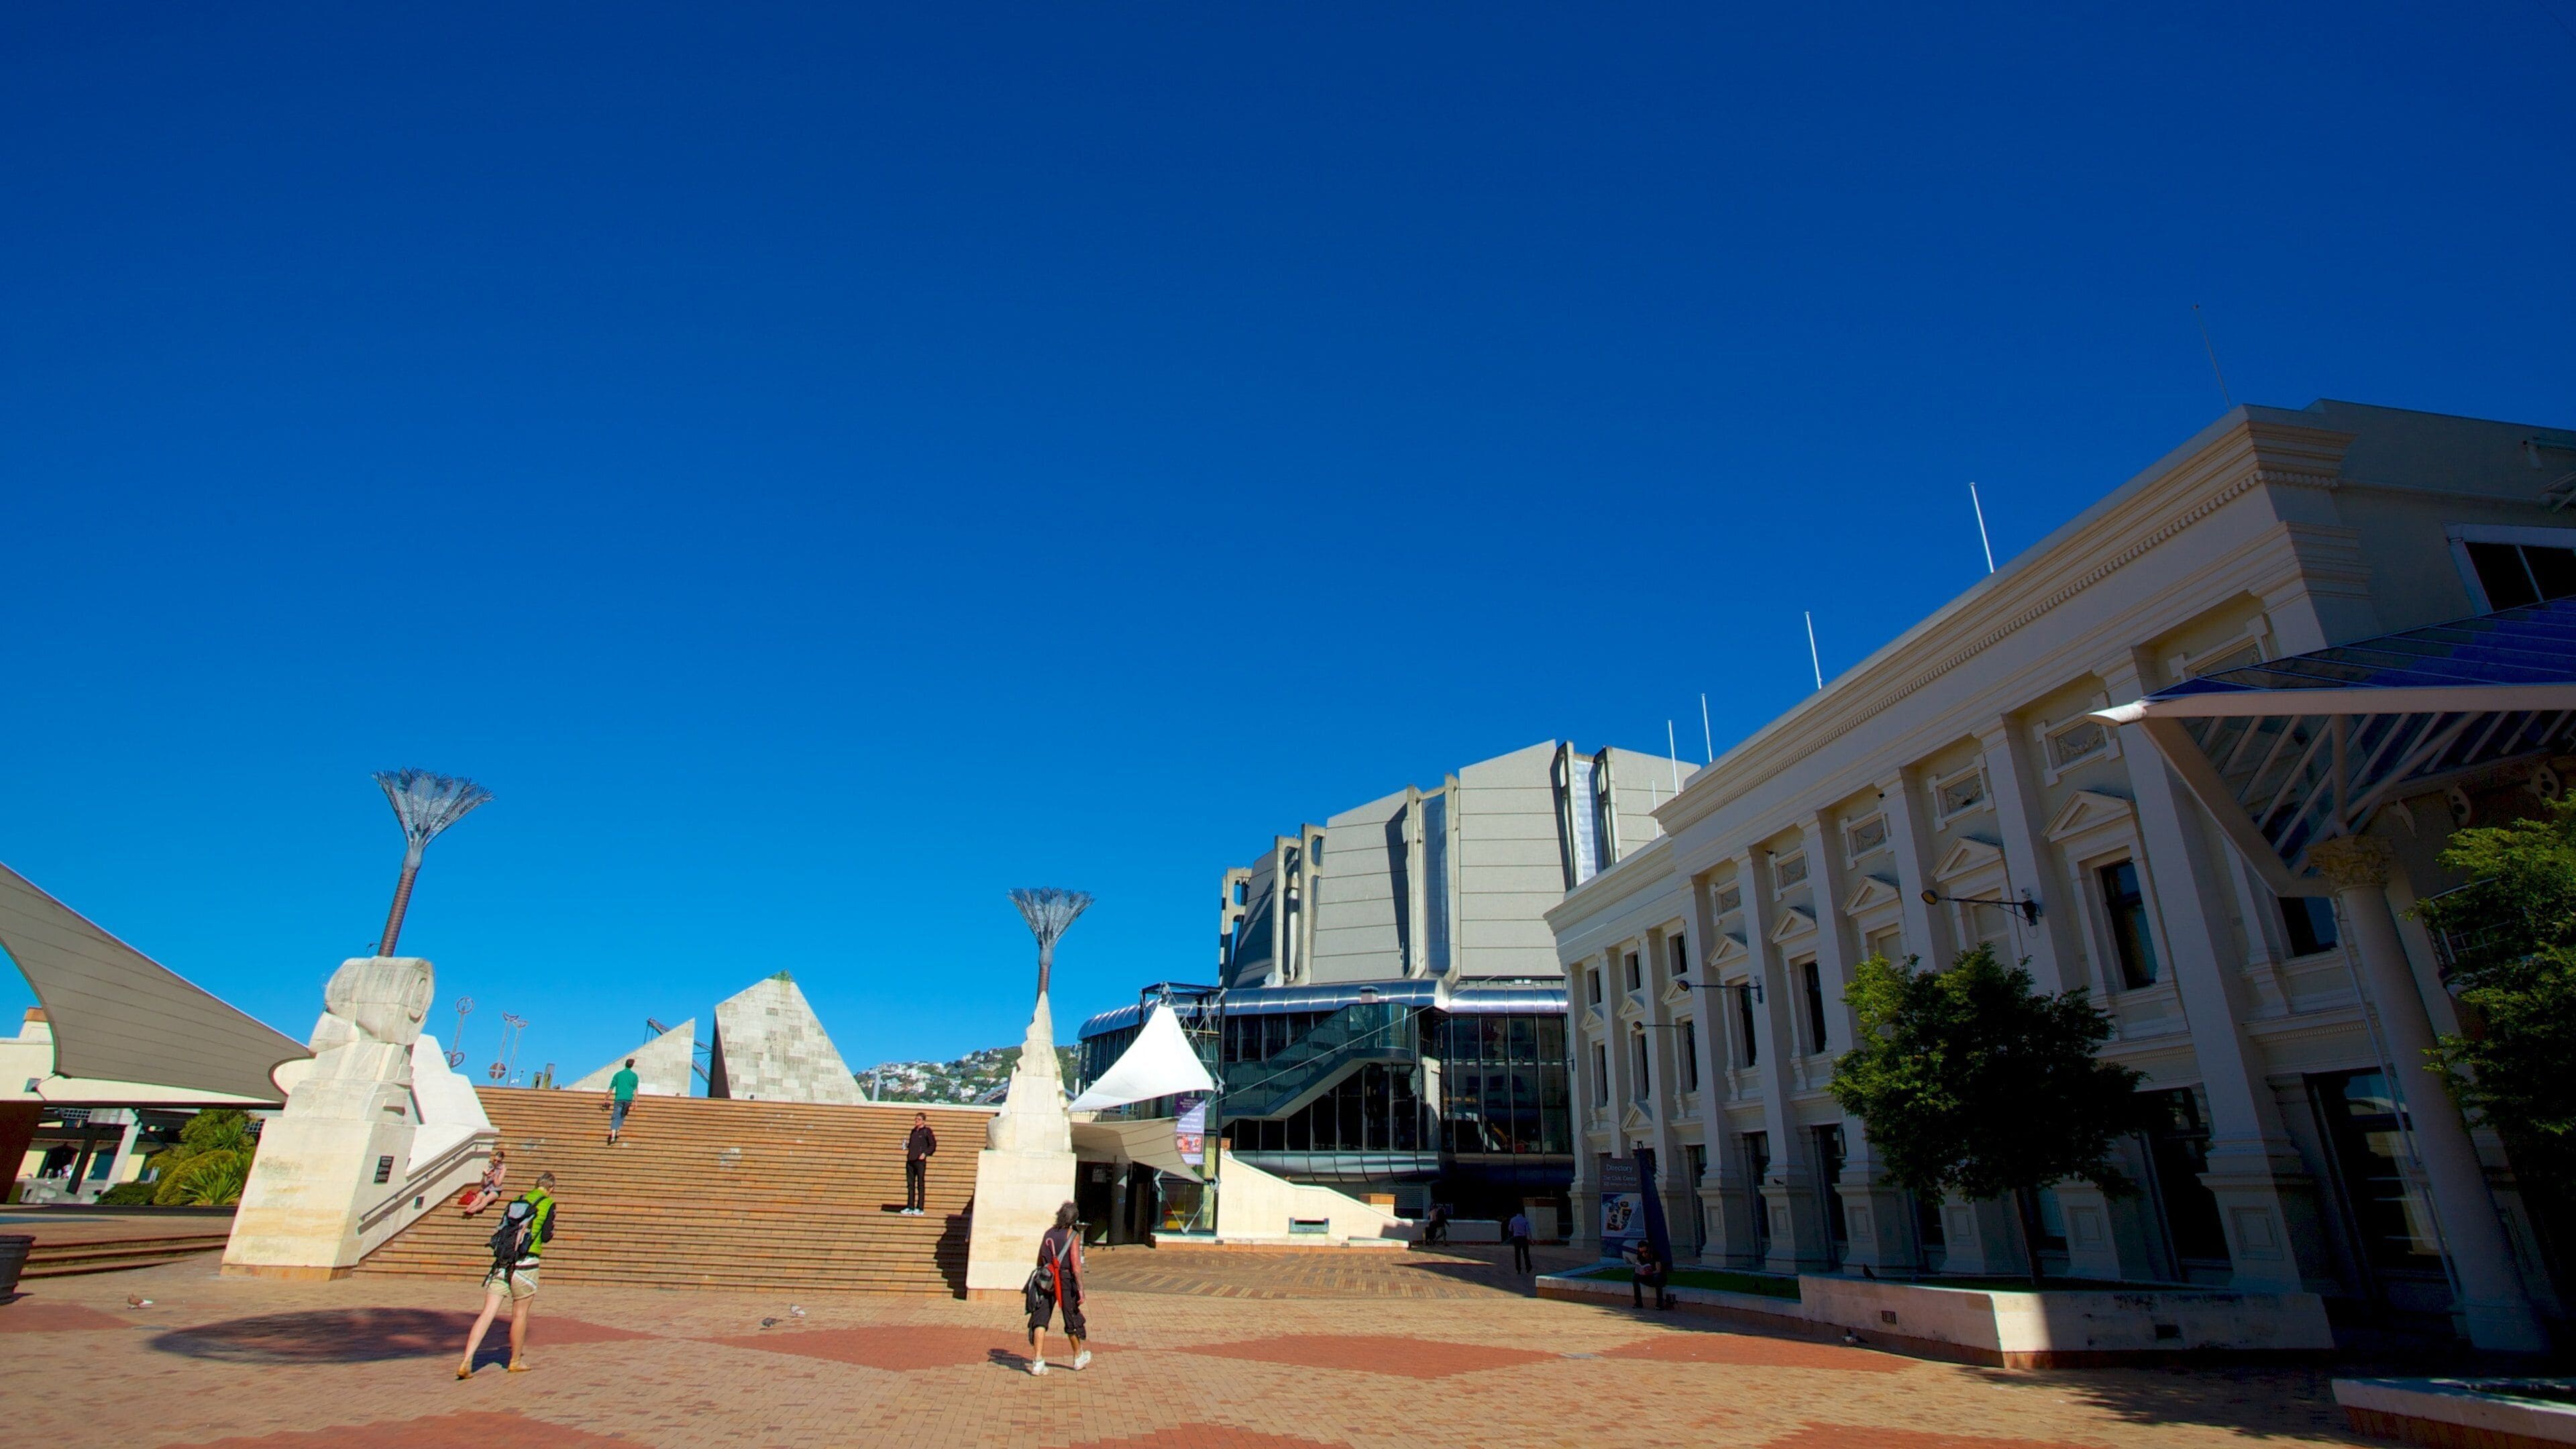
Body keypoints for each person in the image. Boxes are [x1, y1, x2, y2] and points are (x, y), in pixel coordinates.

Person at [455, 1171, 557, 1379]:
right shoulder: (548, 1203)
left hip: (503, 1262)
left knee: (487, 1313)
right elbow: (546, 1236)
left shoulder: (518, 1200)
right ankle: (515, 1361)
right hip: (526, 1263)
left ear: (536, 1184)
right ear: (551, 1189)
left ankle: (467, 1360)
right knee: (520, 1314)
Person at [1026, 1200, 1089, 1376]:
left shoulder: (1048, 1234)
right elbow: (1076, 1266)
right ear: (1074, 1219)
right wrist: (1081, 1289)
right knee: (1070, 1318)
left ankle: (1038, 1361)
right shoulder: (1072, 1235)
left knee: (1041, 1318)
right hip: (1066, 1280)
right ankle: (1078, 1356)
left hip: (1047, 1280)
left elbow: (1040, 1260)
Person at [903, 1112, 936, 1215]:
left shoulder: (927, 1131)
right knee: (910, 1184)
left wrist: (925, 1154)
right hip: (911, 1160)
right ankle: (910, 1206)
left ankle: (920, 1207)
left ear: (923, 1121)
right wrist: (907, 1146)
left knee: (920, 1184)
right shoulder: (913, 1131)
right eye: (916, 1119)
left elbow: (933, 1145)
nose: (917, 1121)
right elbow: (913, 1145)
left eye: (919, 1119)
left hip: (920, 1161)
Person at [1626, 1237, 1672, 1311]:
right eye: (1641, 1252)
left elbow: (1658, 1270)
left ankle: (1660, 1304)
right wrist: (1640, 1271)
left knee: (1657, 1277)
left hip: (1658, 1278)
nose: (1644, 1254)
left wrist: (1650, 1272)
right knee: (1635, 1277)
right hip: (1647, 1277)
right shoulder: (1640, 1256)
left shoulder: (1655, 1254)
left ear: (1649, 1249)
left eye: (1646, 1252)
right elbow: (1638, 1267)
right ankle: (1638, 1303)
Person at [460, 1147, 507, 1216]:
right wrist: (485, 1176)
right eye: (494, 1160)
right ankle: (468, 1209)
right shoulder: (490, 1166)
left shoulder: (503, 1168)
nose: (496, 1162)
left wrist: (495, 1175)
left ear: (502, 1160)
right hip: (486, 1188)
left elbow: (497, 1184)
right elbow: (483, 1183)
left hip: (495, 1190)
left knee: (485, 1200)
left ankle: (474, 1210)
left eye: (498, 1161)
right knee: (478, 1199)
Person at [606, 1059, 639, 1145]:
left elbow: (611, 1087)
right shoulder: (634, 1076)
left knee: (616, 1116)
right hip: (628, 1099)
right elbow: (635, 1090)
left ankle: (613, 1136)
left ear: (625, 1064)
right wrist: (636, 1102)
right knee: (622, 1115)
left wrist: (606, 1098)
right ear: (632, 1065)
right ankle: (618, 1131)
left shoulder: (618, 1074)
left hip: (619, 1098)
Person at [1506, 1207, 1533, 1274]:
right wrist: (1531, 1240)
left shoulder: (1513, 1220)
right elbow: (1528, 1230)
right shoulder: (1525, 1220)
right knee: (1526, 1254)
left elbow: (1510, 1229)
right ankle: (1528, 1267)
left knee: (1517, 1254)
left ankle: (1518, 1268)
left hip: (1516, 1238)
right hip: (1523, 1238)